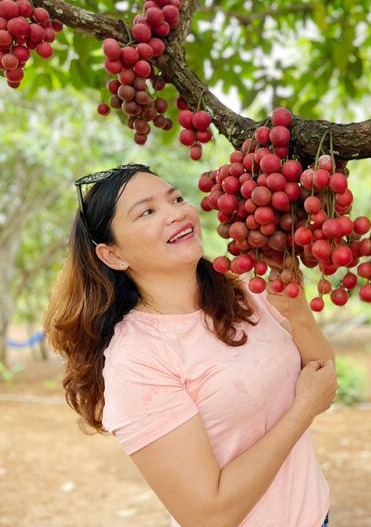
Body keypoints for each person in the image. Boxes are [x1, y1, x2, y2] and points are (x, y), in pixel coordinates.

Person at [44, 163, 337, 527]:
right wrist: (303, 409)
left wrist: (298, 311)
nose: (177, 213)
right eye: (148, 211)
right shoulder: (137, 359)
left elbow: (322, 377)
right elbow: (207, 515)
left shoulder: (243, 288)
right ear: (113, 256)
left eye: (176, 198)